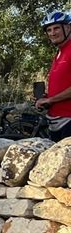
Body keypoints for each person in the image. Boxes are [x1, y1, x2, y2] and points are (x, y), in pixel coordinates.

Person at [35, 10, 71, 141]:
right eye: (49, 30)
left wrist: (50, 100)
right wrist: (46, 98)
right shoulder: (59, 53)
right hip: (55, 122)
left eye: (56, 28)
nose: (52, 33)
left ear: (68, 27)